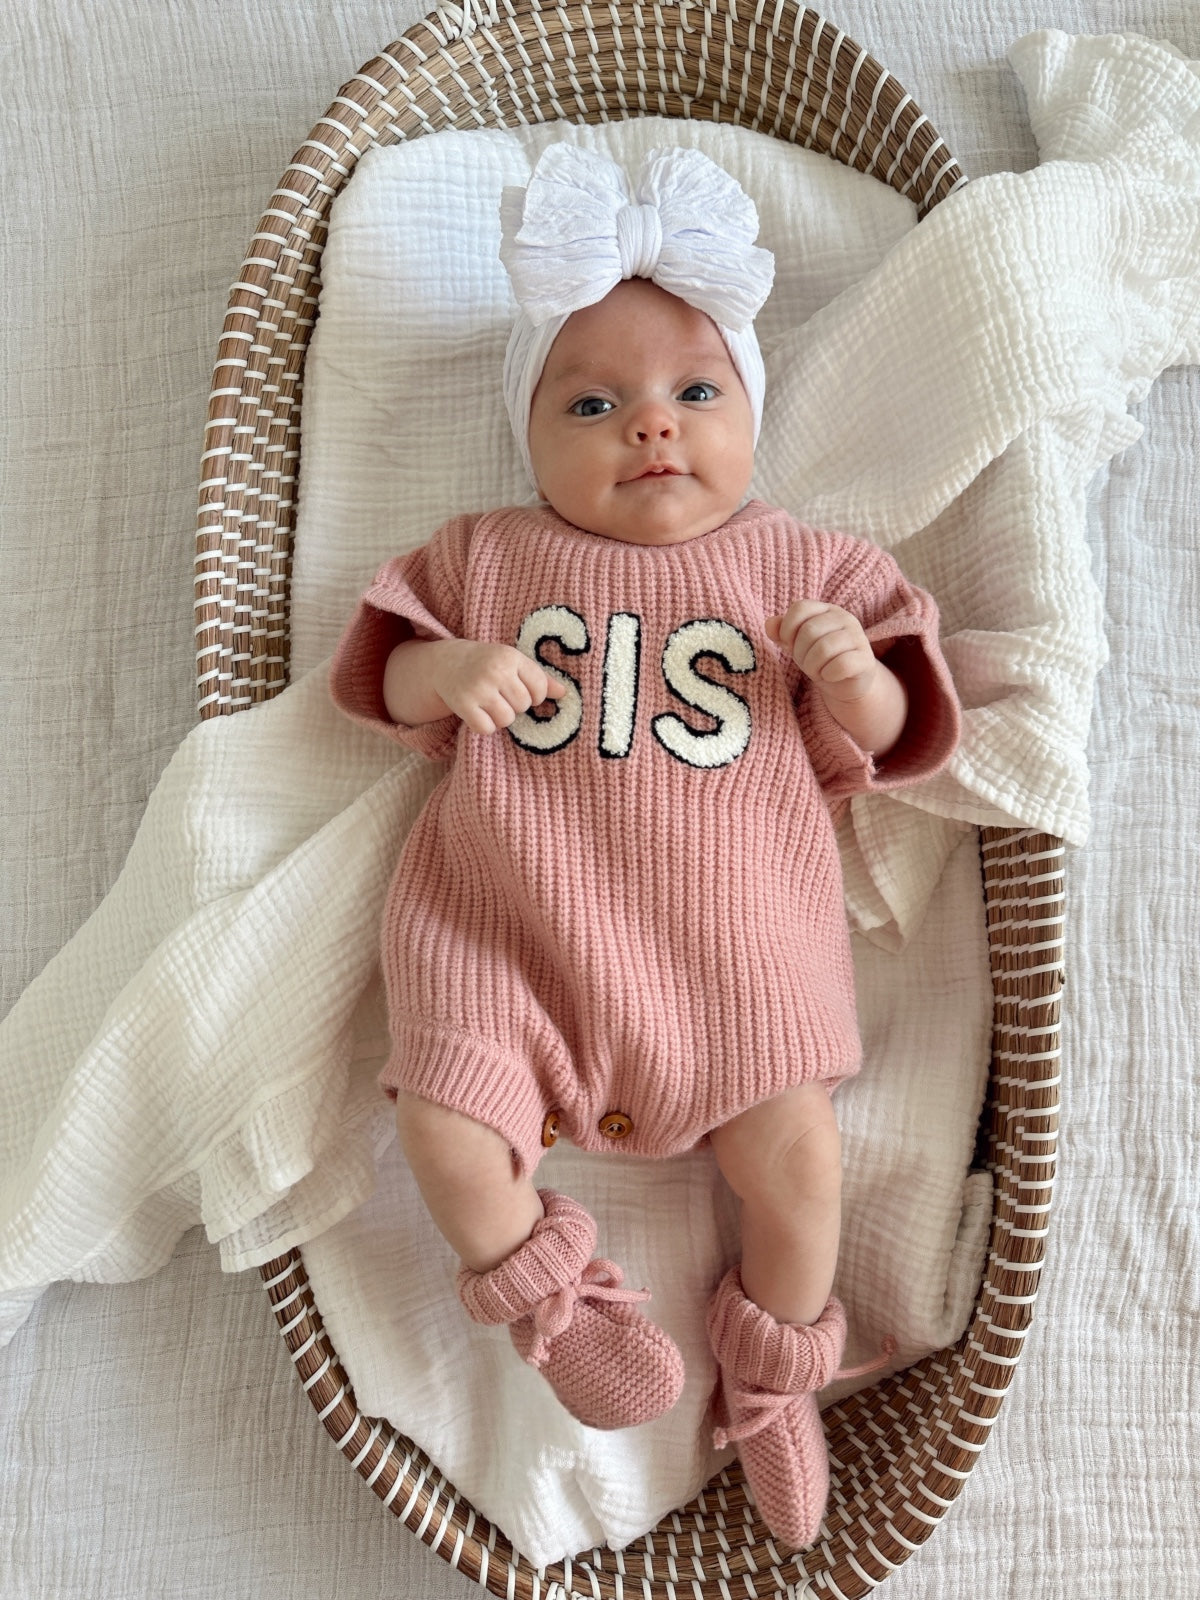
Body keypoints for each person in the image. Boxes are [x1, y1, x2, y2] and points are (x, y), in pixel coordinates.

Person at [330, 143, 960, 1548]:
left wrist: (851, 672)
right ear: (531, 434)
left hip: (734, 966)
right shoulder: (487, 554)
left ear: (749, 410)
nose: (650, 431)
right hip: (508, 939)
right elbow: (377, 671)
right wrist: (449, 677)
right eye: (594, 403)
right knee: (440, 1123)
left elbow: (909, 725)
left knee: (798, 1167)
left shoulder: (796, 565)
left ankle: (771, 1368)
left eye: (694, 394)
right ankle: (551, 1299)